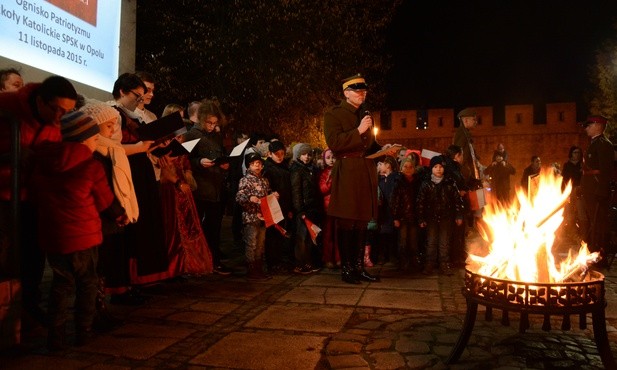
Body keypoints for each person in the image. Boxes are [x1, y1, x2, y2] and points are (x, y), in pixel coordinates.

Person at [29, 111, 127, 350]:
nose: (96, 143)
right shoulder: (90, 166)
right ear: (83, 141)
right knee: (87, 282)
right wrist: (120, 214)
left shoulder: (42, 163)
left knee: (61, 285)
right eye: (94, 139)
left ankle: (56, 336)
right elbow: (105, 201)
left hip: (54, 236)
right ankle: (83, 331)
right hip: (84, 236)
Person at [0, 75, 78, 328]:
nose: (59, 118)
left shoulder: (56, 123)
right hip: (2, 197)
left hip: (32, 198)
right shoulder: (7, 105)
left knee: (33, 254)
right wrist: (11, 154)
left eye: (66, 112)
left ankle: (29, 307)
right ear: (40, 101)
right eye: (55, 110)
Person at [323, 73, 397, 284]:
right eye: (358, 91)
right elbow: (335, 143)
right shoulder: (333, 115)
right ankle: (347, 269)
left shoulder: (366, 113)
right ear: (346, 93)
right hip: (347, 171)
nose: (362, 94)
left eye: (364, 91)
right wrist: (358, 130)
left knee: (362, 223)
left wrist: (384, 150)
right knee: (348, 223)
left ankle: (358, 267)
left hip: (365, 170)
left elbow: (369, 146)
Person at [110, 72, 170, 300]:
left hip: (140, 172)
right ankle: (122, 285)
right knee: (127, 231)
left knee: (143, 229)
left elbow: (140, 146)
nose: (140, 100)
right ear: (122, 91)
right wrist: (141, 146)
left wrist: (155, 144)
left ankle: (139, 279)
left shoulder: (136, 116)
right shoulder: (112, 113)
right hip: (127, 174)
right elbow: (112, 147)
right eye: (137, 95)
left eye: (142, 96)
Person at [81, 100, 136, 331]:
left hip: (106, 219)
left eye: (115, 125)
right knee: (92, 270)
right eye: (108, 125)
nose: (113, 130)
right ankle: (90, 316)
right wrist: (116, 211)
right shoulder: (93, 155)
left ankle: (97, 310)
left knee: (100, 269)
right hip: (98, 220)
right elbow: (100, 190)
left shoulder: (107, 151)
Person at [184, 99, 232, 275]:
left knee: (215, 228)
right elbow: (182, 159)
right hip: (200, 189)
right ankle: (197, 262)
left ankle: (214, 261)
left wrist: (223, 163)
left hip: (216, 188)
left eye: (215, 123)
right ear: (201, 119)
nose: (212, 126)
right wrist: (198, 162)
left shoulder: (216, 137)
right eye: (209, 122)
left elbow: (219, 156)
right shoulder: (192, 135)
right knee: (198, 228)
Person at [416, 155, 464, 275]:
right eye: (436, 167)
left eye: (441, 167)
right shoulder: (426, 184)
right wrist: (421, 218)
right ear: (431, 168)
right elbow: (420, 202)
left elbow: (457, 201)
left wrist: (459, 215)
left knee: (444, 243)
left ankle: (444, 264)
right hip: (431, 218)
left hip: (445, 218)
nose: (438, 169)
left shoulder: (449, 183)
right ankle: (429, 264)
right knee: (431, 242)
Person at [579, 116, 614, 264]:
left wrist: (602, 190)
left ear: (598, 125)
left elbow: (606, 170)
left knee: (599, 222)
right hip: (590, 188)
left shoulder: (604, 144)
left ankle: (601, 254)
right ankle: (594, 251)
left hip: (597, 188)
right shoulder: (593, 143)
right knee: (593, 222)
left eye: (589, 125)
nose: (586, 128)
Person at [236, 152, 275, 281]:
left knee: (260, 243)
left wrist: (273, 196)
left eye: (259, 164)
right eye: (254, 164)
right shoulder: (245, 180)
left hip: (264, 216)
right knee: (251, 242)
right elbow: (239, 196)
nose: (257, 166)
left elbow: (268, 195)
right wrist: (249, 197)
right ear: (249, 166)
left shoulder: (264, 180)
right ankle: (251, 268)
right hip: (251, 216)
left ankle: (259, 267)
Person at [263, 140, 294, 273]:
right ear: (270, 154)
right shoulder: (267, 169)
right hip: (273, 206)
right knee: (272, 236)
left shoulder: (285, 167)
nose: (280, 156)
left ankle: (279, 261)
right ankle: (273, 263)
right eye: (277, 154)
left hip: (284, 206)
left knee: (281, 236)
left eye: (282, 153)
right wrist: (271, 194)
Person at [290, 143, 321, 274]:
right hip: (302, 209)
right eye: (303, 154)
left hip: (311, 207)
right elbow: (296, 191)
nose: (307, 157)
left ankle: (308, 262)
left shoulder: (311, 169)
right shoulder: (297, 170)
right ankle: (300, 263)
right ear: (298, 155)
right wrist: (300, 210)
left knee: (309, 237)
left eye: (309, 154)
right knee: (301, 237)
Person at [391, 156, 421, 272]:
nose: (408, 169)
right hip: (402, 217)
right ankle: (403, 262)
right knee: (402, 240)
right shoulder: (398, 182)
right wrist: (395, 217)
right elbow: (394, 201)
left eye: (411, 167)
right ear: (401, 168)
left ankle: (414, 260)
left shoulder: (417, 182)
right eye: (405, 167)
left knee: (413, 240)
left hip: (413, 217)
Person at [376, 155, 400, 265]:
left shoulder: (394, 179)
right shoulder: (382, 179)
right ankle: (383, 255)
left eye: (382, 164)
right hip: (383, 213)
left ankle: (391, 255)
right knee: (383, 235)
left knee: (391, 236)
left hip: (390, 213)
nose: (379, 166)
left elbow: (393, 198)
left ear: (388, 166)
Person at [319, 148, 340, 269]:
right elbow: (323, 189)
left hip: (340, 206)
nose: (331, 160)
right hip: (328, 208)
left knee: (339, 234)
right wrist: (331, 178)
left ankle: (338, 258)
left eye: (333, 157)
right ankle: (328, 258)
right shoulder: (324, 173)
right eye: (328, 158)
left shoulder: (341, 171)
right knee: (328, 235)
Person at [453, 108, 482, 190]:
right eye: (473, 119)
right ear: (465, 120)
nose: (475, 122)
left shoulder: (466, 133)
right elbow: (458, 155)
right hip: (465, 175)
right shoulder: (461, 133)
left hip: (469, 174)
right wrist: (467, 173)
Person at [561, 146, 583, 235]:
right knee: (569, 213)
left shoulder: (582, 164)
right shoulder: (567, 165)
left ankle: (581, 234)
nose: (576, 155)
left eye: (578, 152)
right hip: (569, 190)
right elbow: (564, 178)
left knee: (580, 212)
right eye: (575, 152)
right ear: (571, 154)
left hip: (579, 190)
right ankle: (571, 233)